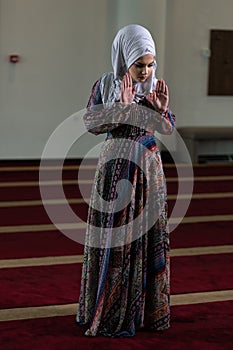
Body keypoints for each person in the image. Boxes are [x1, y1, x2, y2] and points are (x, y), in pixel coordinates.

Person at [77, 24, 176, 337]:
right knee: (115, 235)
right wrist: (119, 108)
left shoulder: (154, 87)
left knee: (147, 235)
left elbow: (168, 127)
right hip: (116, 165)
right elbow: (91, 123)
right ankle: (110, 310)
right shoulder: (106, 84)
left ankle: (146, 313)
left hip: (148, 167)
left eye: (149, 65)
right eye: (139, 65)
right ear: (124, 60)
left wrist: (160, 112)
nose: (145, 72)